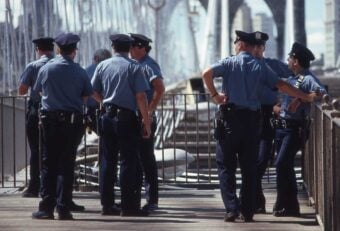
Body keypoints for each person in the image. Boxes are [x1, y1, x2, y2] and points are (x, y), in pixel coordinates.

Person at [202, 30, 317, 223]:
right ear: (250, 46)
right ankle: (248, 211)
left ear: (240, 45)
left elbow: (206, 73)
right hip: (252, 120)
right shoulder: (261, 67)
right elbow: (283, 84)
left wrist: (215, 96)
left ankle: (231, 209)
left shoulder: (229, 63)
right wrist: (304, 96)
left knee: (226, 167)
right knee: (249, 168)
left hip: (232, 119)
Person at [32, 32, 93, 220]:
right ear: (74, 51)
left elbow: (39, 91)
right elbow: (85, 97)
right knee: (66, 165)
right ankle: (64, 208)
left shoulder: (46, 69)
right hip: (72, 122)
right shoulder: (80, 71)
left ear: (58, 49)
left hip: (50, 122)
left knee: (49, 164)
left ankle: (46, 208)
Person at [91, 33, 151, 217]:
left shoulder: (102, 65)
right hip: (127, 119)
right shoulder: (134, 67)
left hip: (107, 118)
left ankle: (107, 205)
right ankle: (128, 206)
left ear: (113, 47)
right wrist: (146, 121)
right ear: (129, 48)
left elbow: (92, 90)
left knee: (108, 161)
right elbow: (140, 96)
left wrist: (104, 102)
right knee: (128, 161)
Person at [272, 42, 326, 217]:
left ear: (295, 61)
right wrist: (279, 107)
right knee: (283, 166)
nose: (287, 60)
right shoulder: (292, 78)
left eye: (290, 58)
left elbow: (322, 93)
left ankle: (287, 204)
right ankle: (288, 206)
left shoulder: (307, 78)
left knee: (281, 164)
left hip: (294, 130)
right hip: (282, 128)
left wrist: (302, 100)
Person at [251, 31, 293, 213]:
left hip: (267, 115)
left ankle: (256, 201)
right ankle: (257, 202)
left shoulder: (272, 65)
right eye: (255, 46)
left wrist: (286, 102)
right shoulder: (244, 65)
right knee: (250, 163)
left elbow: (294, 74)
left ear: (263, 48)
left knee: (261, 161)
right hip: (248, 116)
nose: (258, 49)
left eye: (261, 46)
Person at [129, 33, 165, 212]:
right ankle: (133, 199)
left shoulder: (148, 66)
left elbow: (159, 88)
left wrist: (149, 111)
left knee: (146, 159)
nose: (129, 50)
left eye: (132, 47)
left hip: (145, 118)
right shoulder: (135, 65)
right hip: (133, 116)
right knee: (134, 159)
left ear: (141, 48)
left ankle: (152, 200)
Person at [18, 37, 54, 198]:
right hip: (55, 112)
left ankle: (34, 186)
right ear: (52, 49)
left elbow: (22, 90)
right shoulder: (58, 65)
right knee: (53, 151)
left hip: (36, 111)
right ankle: (53, 187)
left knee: (35, 149)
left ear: (38, 49)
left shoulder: (33, 66)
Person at [85, 49, 112, 132]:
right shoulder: (111, 70)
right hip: (108, 109)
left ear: (96, 58)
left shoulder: (86, 70)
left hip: (90, 110)